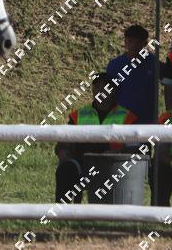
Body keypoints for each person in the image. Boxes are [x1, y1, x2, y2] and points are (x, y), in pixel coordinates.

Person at [55, 74, 137, 204]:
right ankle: (62, 212)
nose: (100, 90)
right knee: (65, 170)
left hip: (114, 165)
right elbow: (64, 140)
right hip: (83, 164)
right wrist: (63, 150)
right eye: (97, 87)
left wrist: (120, 154)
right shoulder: (79, 115)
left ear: (113, 91)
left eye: (105, 87)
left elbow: (136, 148)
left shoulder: (128, 117)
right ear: (93, 91)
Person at [105, 24, 156, 124]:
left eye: (138, 42)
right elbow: (109, 91)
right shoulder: (115, 64)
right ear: (125, 41)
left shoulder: (153, 62)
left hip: (146, 120)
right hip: (121, 119)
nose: (134, 45)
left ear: (145, 43)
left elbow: (169, 79)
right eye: (130, 41)